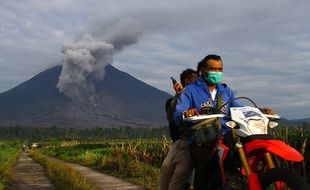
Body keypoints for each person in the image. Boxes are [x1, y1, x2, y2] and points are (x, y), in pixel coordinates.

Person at [174, 54, 243, 189]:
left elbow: (239, 108)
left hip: (225, 136)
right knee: (206, 168)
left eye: (220, 69)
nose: (217, 73)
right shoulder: (190, 90)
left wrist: (258, 110)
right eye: (213, 69)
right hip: (201, 139)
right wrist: (186, 112)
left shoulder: (226, 91)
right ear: (203, 71)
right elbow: (179, 111)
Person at [160, 68, 198, 190]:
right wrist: (179, 96)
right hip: (181, 143)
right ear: (186, 81)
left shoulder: (201, 99)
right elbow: (172, 117)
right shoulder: (172, 102)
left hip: (195, 143)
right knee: (166, 168)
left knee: (178, 179)